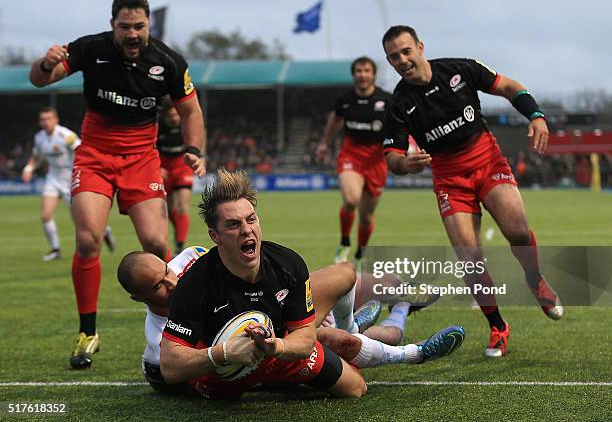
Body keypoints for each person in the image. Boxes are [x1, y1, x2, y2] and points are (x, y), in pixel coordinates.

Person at [157, 170, 464, 398]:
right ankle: (413, 350)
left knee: (355, 388)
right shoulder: (196, 281)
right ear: (215, 235)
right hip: (221, 378)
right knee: (336, 339)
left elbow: (302, 338)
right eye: (233, 224)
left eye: (251, 219)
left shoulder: (287, 265)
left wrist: (276, 346)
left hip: (278, 348)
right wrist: (223, 353)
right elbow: (170, 367)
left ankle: (381, 315)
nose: (246, 230)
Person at [29, 0, 206, 369]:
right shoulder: (90, 49)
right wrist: (46, 63)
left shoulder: (168, 62)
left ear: (148, 26)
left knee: (158, 243)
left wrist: (195, 149)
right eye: (124, 26)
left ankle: (181, 325)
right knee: (89, 239)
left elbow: (191, 111)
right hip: (94, 154)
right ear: (113, 25)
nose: (132, 34)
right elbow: (41, 80)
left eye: (139, 26)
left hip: (142, 158)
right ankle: (88, 333)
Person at [381, 25, 563, 358]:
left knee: (518, 232)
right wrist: (404, 165)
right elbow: (391, 156)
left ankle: (535, 280)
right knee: (470, 259)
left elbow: (509, 86)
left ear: (420, 46)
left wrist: (535, 115)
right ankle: (497, 326)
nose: (402, 60)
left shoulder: (460, 69)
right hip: (449, 179)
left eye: (406, 51)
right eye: (394, 56)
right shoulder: (398, 104)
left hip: (488, 161)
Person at [315, 57, 392, 264]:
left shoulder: (387, 99)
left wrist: (409, 145)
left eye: (367, 70)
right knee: (351, 200)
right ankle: (344, 243)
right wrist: (324, 142)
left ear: (373, 74)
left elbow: (400, 124)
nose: (363, 74)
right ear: (354, 74)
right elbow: (335, 120)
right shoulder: (344, 100)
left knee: (366, 216)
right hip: (352, 155)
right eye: (359, 70)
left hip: (377, 160)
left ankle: (360, 254)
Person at [22, 107, 116, 261]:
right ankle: (55, 249)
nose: (45, 122)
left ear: (56, 120)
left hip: (71, 179)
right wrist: (29, 168)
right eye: (43, 119)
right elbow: (36, 156)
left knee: (80, 221)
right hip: (52, 178)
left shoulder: (66, 136)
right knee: (45, 215)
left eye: (48, 119)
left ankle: (104, 231)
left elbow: (83, 151)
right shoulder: (39, 137)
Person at [157, 99, 194, 255]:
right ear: (164, 116)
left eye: (175, 115)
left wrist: (200, 155)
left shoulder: (187, 123)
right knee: (170, 209)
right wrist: (156, 167)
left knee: (181, 206)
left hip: (182, 166)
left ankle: (179, 245)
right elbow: (148, 148)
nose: (173, 119)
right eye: (170, 116)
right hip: (163, 166)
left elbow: (201, 133)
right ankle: (177, 233)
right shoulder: (157, 127)